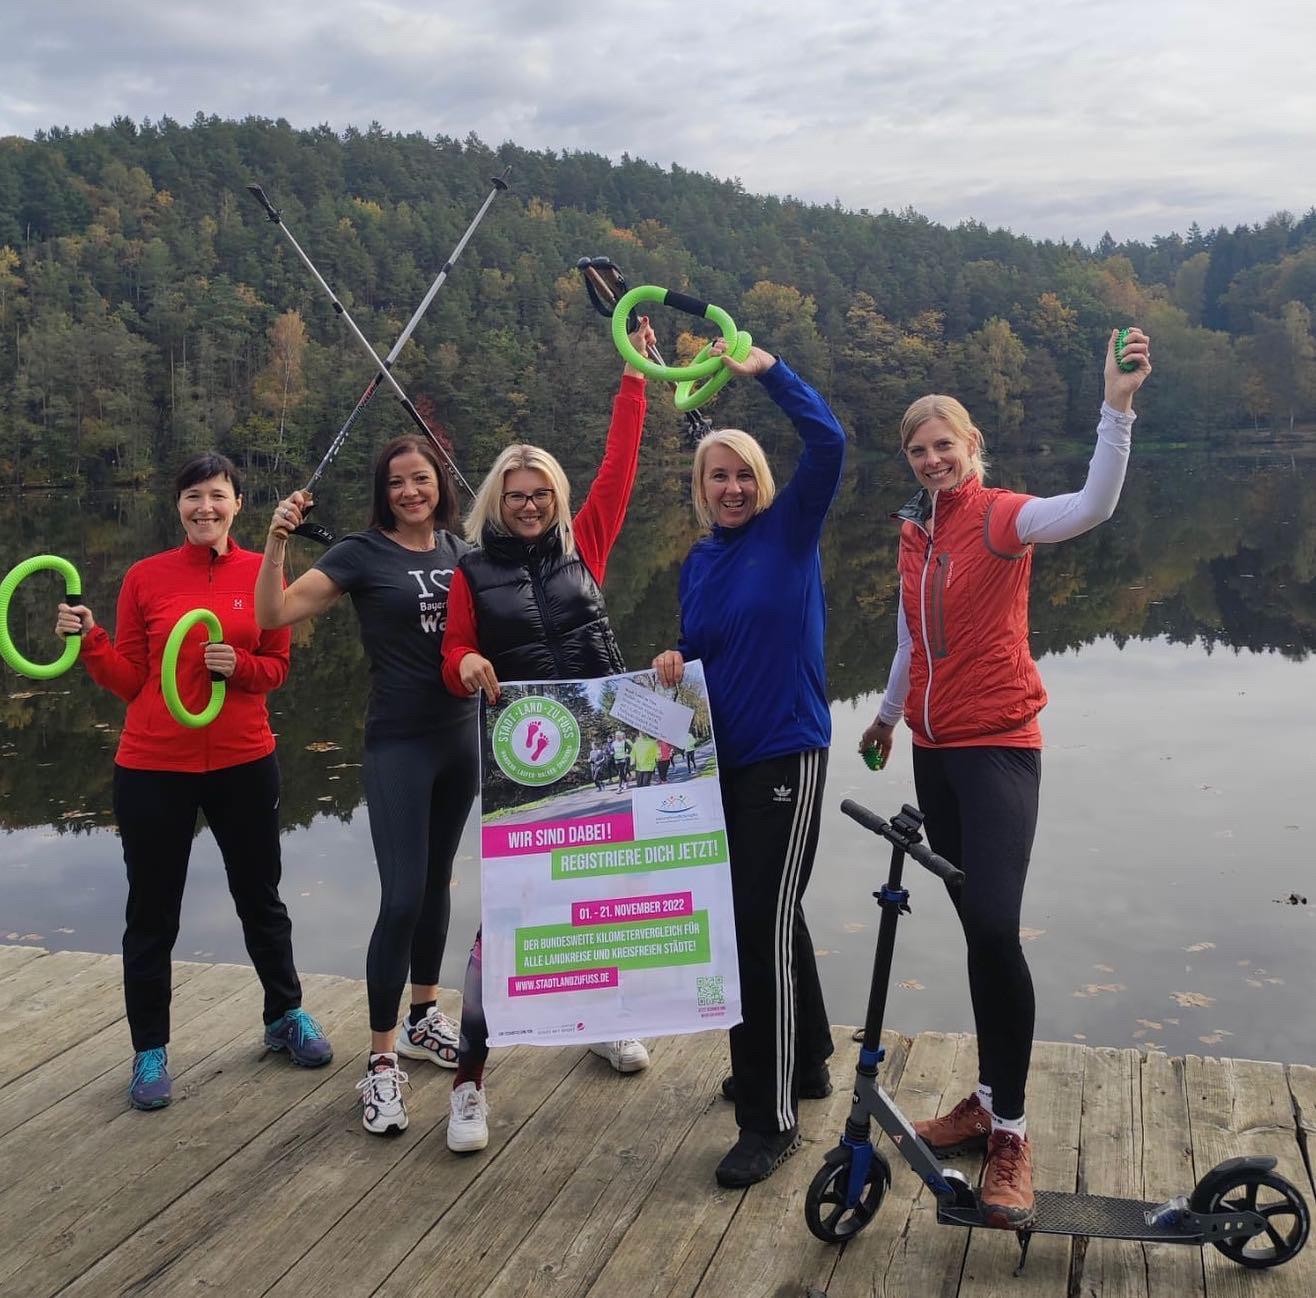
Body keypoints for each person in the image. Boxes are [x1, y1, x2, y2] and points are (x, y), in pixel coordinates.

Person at [858, 328, 1152, 1229]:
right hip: (933, 750)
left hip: (998, 748)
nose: (934, 458)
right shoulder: (914, 530)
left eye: (946, 443)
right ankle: (988, 1099)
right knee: (977, 932)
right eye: (919, 449)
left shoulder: (1002, 515)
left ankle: (1012, 1133)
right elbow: (914, 637)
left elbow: (1094, 506)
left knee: (994, 924)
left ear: (972, 446)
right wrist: (882, 712)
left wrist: (1116, 407)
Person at [440, 316, 657, 1154]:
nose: (529, 506)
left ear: (557, 501)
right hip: (526, 760)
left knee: (601, 902)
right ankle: (469, 1080)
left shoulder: (586, 542)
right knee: (509, 922)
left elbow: (620, 465)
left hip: (609, 747)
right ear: (497, 500)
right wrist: (464, 667)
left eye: (541, 495)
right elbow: (455, 648)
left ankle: (600, 1024)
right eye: (515, 495)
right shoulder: (471, 568)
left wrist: (633, 375)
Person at [56, 452, 331, 1112]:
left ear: (238, 503)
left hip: (242, 759)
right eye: (192, 497)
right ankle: (149, 1050)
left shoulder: (262, 571)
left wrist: (236, 663)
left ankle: (283, 1015)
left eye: (217, 495)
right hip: (153, 765)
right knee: (151, 914)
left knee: (260, 898)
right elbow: (130, 681)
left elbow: (276, 670)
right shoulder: (146, 578)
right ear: (177, 507)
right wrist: (92, 639)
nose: (204, 507)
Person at [653, 339, 846, 1188]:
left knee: (751, 928)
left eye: (741, 475)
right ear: (700, 491)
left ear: (760, 480)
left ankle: (767, 1122)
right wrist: (670, 665)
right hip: (719, 763)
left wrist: (769, 371)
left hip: (786, 752)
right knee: (771, 914)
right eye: (714, 478)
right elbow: (701, 652)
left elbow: (831, 441)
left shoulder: (790, 530)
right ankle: (803, 1064)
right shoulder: (701, 560)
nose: (729, 488)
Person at [256, 434, 477, 1137]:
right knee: (404, 893)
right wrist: (275, 542)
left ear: (440, 483)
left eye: (421, 480)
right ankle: (382, 1063)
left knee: (439, 883)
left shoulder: (463, 553)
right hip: (400, 745)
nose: (411, 492)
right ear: (383, 493)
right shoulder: (360, 553)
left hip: (463, 738)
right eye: (397, 483)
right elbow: (274, 614)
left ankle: (423, 1017)